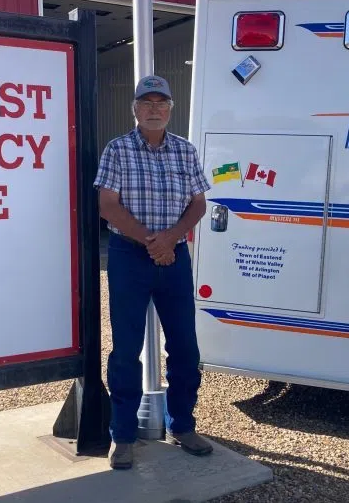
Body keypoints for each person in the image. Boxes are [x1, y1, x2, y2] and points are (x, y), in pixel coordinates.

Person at [93, 75, 213, 470]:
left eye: (162, 103)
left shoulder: (184, 151)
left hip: (174, 258)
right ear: (135, 109)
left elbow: (198, 204)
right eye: (147, 103)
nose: (155, 109)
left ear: (171, 109)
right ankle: (123, 436)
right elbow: (107, 206)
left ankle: (184, 425)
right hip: (130, 257)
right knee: (126, 351)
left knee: (185, 348)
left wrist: (172, 239)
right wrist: (151, 241)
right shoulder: (118, 150)